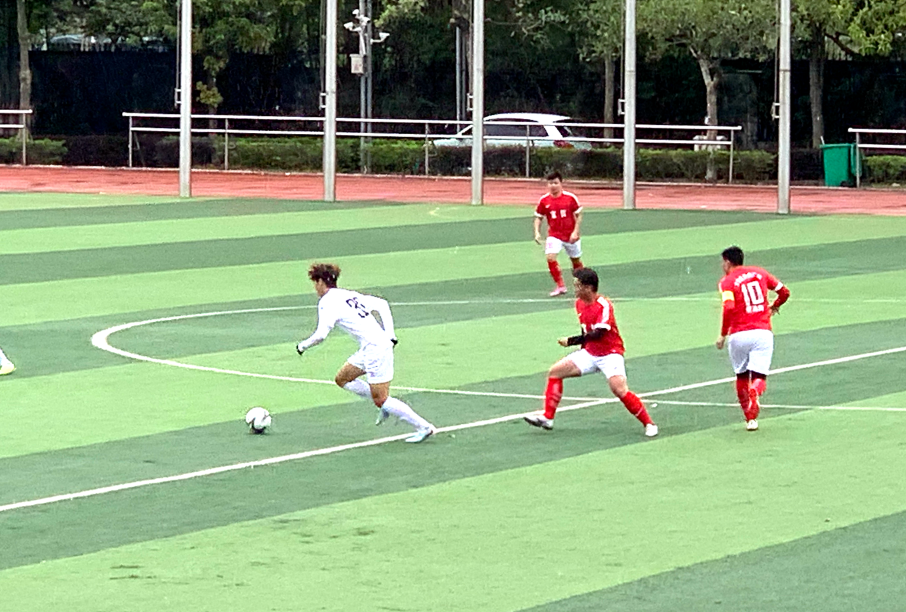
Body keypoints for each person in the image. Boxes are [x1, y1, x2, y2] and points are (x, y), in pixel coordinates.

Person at [296, 263, 436, 443]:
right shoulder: (348, 294)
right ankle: (386, 405)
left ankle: (424, 427)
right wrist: (390, 335)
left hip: (376, 349)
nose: (315, 288)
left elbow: (321, 335)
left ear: (321, 282)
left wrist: (303, 346)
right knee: (342, 379)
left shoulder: (327, 302)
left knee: (381, 399)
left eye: (315, 283)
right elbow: (382, 304)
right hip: (370, 347)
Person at [524, 267, 658, 437]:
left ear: (588, 287)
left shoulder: (604, 305)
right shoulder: (579, 303)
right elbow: (585, 330)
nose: (575, 288)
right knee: (555, 372)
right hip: (590, 353)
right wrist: (582, 349)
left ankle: (649, 424)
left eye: (578, 285)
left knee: (619, 389)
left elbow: (598, 333)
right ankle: (547, 418)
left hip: (610, 354)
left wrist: (571, 341)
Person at [715, 246, 790, 431]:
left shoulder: (726, 282)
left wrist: (723, 334)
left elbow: (728, 308)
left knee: (741, 376)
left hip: (738, 335)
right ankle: (755, 390)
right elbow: (784, 292)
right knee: (759, 377)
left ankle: (750, 419)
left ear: (728, 262)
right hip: (762, 333)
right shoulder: (760, 273)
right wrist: (774, 306)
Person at [533, 171, 584, 297]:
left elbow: (579, 215)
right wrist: (537, 232)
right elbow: (538, 217)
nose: (553, 186)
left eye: (555, 183)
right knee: (550, 257)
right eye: (550, 183)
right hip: (554, 234)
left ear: (561, 183)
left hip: (570, 235)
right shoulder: (544, 200)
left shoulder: (570, 198)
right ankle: (560, 286)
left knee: (575, 260)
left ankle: (582, 284)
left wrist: (575, 232)